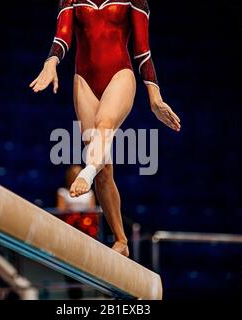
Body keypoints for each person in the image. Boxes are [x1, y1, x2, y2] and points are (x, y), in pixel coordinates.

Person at [31, 0, 181, 257]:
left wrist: (154, 97)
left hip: (119, 75)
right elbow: (63, 35)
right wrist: (51, 62)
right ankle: (121, 240)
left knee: (104, 126)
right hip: (84, 79)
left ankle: (86, 172)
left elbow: (142, 51)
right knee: (104, 169)